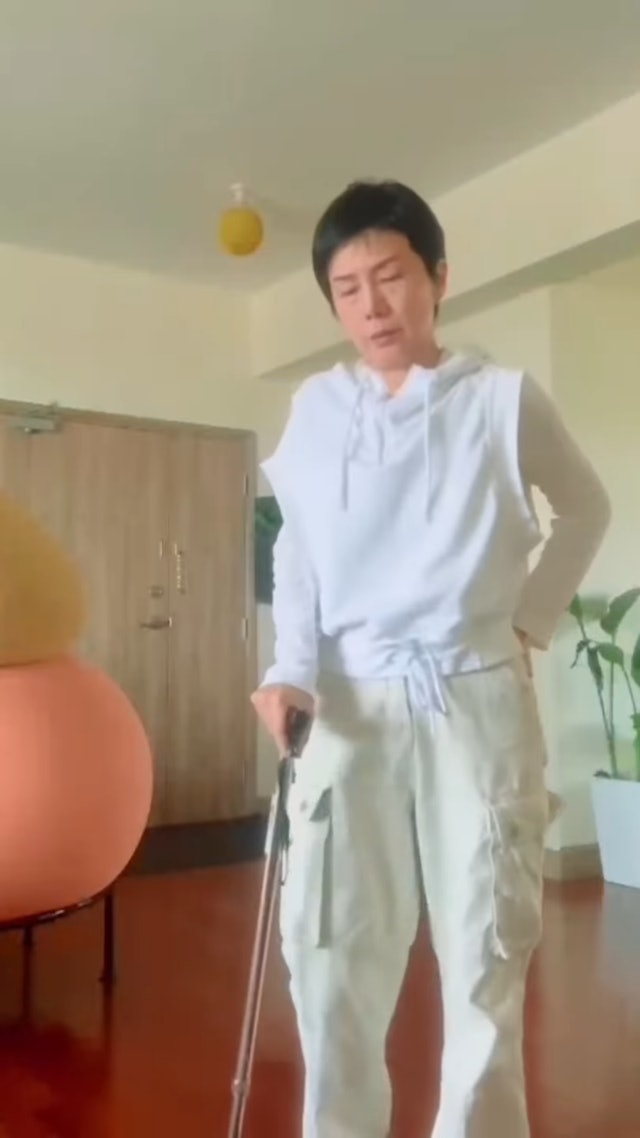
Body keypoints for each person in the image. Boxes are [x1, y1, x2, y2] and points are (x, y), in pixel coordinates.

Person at [251, 180, 610, 1138]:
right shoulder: (318, 409)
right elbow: (299, 552)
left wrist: (527, 622)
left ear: (439, 278)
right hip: (347, 707)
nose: (373, 305)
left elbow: (587, 508)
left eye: (392, 276)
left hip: (474, 694)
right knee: (330, 950)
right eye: (348, 288)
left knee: (487, 948)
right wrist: (290, 668)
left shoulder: (502, 399)